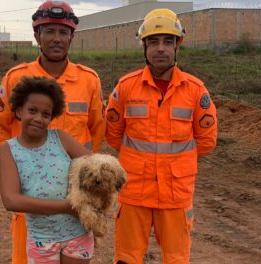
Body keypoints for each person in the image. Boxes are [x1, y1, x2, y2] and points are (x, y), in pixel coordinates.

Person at [0, 1, 105, 263]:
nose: (56, 39)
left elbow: (96, 130)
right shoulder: (16, 77)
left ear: (72, 37)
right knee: (24, 257)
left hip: (75, 197)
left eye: (63, 33)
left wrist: (83, 180)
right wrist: (18, 170)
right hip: (33, 195)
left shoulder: (89, 80)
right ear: (36, 35)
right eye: (49, 31)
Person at [105, 8, 218, 264]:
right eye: (153, 42)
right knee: (126, 258)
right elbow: (113, 135)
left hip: (176, 194)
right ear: (144, 46)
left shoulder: (195, 90)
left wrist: (174, 165)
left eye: (168, 41)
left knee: (177, 259)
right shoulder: (125, 87)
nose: (161, 48)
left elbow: (206, 141)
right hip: (133, 191)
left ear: (178, 45)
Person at [0, 76, 94, 264]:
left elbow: (95, 165)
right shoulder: (9, 149)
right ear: (19, 110)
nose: (38, 119)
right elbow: (11, 200)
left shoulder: (61, 139)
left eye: (46, 114)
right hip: (41, 238)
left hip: (77, 233)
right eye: (32, 111)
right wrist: (68, 207)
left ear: (52, 116)